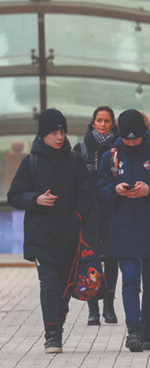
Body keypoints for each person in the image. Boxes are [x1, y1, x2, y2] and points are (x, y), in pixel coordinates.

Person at [96, 110, 150, 352]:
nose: (132, 143)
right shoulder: (111, 157)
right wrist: (116, 190)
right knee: (131, 278)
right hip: (123, 228)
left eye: (136, 138)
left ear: (143, 133)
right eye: (127, 138)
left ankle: (148, 330)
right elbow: (100, 192)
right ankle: (133, 329)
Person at [8, 109, 92, 354]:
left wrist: (76, 219)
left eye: (62, 131)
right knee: (49, 283)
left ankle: (58, 322)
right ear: (43, 134)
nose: (59, 136)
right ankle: (52, 335)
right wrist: (36, 199)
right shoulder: (31, 162)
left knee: (65, 287)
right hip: (40, 236)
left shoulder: (75, 160)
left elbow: (86, 196)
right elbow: (14, 196)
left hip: (68, 234)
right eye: (54, 132)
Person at [74, 106, 120, 326]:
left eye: (107, 121)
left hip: (112, 209)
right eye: (99, 120)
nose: (102, 125)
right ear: (93, 122)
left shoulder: (120, 147)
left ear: (112, 123)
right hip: (88, 212)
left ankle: (109, 305)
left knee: (111, 258)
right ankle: (92, 307)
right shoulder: (81, 148)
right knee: (89, 258)